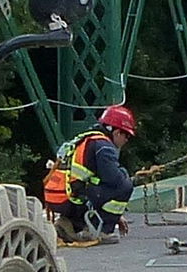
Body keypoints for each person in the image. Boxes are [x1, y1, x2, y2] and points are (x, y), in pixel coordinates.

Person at [52, 104, 137, 245]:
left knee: (91, 186)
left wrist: (117, 217)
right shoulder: (104, 147)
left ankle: (69, 223)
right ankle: (101, 230)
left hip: (65, 196)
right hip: (77, 197)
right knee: (125, 186)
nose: (127, 140)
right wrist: (125, 173)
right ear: (117, 132)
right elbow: (114, 179)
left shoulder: (87, 138)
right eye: (126, 135)